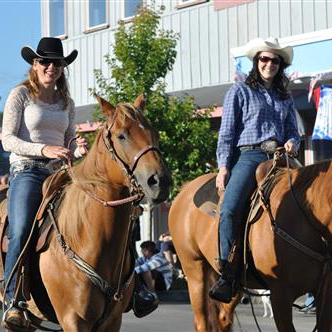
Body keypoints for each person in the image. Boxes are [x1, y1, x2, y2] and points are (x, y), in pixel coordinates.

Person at [1, 37, 87, 329]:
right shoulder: (20, 95)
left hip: (60, 173)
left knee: (98, 214)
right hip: (27, 170)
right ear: (35, 65)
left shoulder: (67, 102)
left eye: (57, 63)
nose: (51, 67)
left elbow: (68, 140)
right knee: (22, 227)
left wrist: (78, 148)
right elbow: (7, 138)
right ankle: (13, 301)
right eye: (45, 61)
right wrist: (43, 150)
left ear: (63, 67)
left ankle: (129, 288)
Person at [209, 37, 300, 303]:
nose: (269, 64)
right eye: (264, 58)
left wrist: (293, 141)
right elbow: (226, 133)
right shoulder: (239, 90)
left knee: (310, 198)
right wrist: (223, 167)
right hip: (250, 155)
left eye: (274, 60)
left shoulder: (285, 97)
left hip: (281, 157)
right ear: (256, 61)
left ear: (280, 65)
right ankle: (227, 272)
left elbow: (293, 130)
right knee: (229, 208)